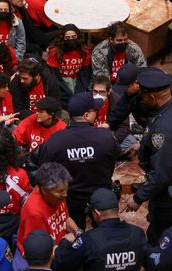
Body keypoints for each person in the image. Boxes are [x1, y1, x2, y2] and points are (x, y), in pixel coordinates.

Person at [120, 68, 172, 244]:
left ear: (152, 97)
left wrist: (138, 197)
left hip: (168, 184)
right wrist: (145, 143)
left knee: (161, 225)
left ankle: (158, 259)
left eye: (143, 96)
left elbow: (162, 174)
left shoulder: (164, 132)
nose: (141, 99)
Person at [37, 93, 119, 229]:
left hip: (70, 199)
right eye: (95, 111)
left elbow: (44, 169)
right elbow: (116, 154)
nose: (97, 113)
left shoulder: (55, 140)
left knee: (75, 234)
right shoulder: (105, 137)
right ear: (86, 115)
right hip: (101, 198)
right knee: (105, 236)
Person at [15, 162, 79, 258]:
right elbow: (38, 250)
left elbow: (65, 219)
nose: (65, 194)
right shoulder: (34, 213)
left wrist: (78, 232)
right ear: (44, 190)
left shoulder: (57, 196)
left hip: (58, 246)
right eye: (60, 191)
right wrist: (65, 246)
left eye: (66, 189)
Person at [46, 24, 91, 93]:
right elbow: (55, 76)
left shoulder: (84, 51)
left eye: (73, 37)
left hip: (78, 79)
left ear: (78, 37)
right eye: (67, 38)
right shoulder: (54, 52)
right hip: (61, 80)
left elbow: (85, 73)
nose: (71, 40)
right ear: (62, 38)